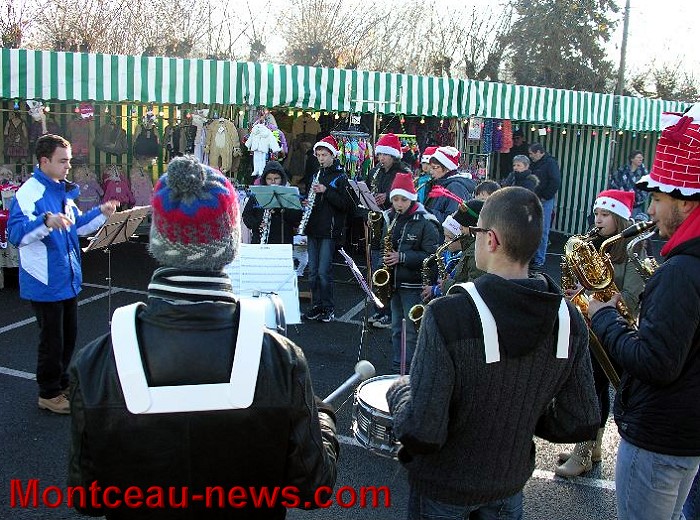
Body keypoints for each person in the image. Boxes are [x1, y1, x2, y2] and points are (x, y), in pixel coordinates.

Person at [67, 156, 339, 519]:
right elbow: (314, 488)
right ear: (230, 242)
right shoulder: (280, 358)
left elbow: (87, 499)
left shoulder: (96, 360)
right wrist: (322, 416)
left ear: (159, 238)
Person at [387, 186, 599, 519]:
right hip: (509, 485)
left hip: (443, 487)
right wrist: (518, 416)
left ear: (492, 240)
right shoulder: (569, 318)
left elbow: (422, 431)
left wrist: (400, 392)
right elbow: (581, 419)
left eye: (476, 231)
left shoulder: (447, 315)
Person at [588, 107, 700, 520]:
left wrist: (604, 317)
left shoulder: (681, 272)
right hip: (685, 436)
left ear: (684, 202)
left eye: (656, 199)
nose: (650, 212)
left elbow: (656, 363)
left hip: (658, 437)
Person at [8, 134, 117, 415]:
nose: (69, 166)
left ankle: (62, 383)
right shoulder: (29, 193)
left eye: (68, 160)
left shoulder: (61, 190)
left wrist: (102, 213)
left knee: (68, 337)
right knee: (52, 341)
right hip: (44, 280)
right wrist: (46, 221)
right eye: (63, 161)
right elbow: (16, 235)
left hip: (66, 278)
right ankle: (48, 393)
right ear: (44, 161)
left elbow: (76, 226)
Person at [555, 189, 645, 478]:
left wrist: (597, 301)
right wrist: (576, 294)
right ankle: (592, 447)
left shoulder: (630, 249)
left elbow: (631, 297)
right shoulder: (591, 245)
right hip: (589, 325)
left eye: (605, 214)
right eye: (596, 213)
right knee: (593, 386)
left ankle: (584, 452)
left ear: (620, 218)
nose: (598, 219)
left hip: (612, 328)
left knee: (593, 388)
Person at [380, 173, 440, 372]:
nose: (399, 204)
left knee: (412, 331)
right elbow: (384, 247)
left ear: (412, 198)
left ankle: (412, 369)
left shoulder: (426, 221)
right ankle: (398, 365)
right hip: (395, 282)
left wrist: (402, 257)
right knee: (396, 328)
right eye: (395, 199)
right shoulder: (391, 217)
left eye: (403, 200)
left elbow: (431, 256)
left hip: (413, 285)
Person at [302, 135, 355, 323]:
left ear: (333, 155)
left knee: (324, 272)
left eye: (324, 155)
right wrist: (307, 202)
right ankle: (316, 305)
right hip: (313, 227)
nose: (321, 159)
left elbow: (346, 205)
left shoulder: (341, 177)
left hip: (329, 230)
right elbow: (315, 200)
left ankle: (328, 307)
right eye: (318, 155)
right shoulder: (315, 175)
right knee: (312, 272)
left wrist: (326, 191)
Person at [367, 133, 412, 328]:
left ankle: (388, 313)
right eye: (380, 154)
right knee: (377, 271)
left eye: (385, 155)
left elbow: (408, 197)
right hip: (378, 224)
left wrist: (387, 197)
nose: (381, 158)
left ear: (394, 155)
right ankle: (379, 310)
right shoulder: (376, 172)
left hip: (394, 224)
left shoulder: (403, 172)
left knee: (386, 271)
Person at [242, 161, 302, 245]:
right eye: (269, 179)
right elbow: (246, 215)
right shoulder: (257, 194)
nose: (273, 182)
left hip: (283, 240)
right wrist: (257, 224)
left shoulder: (289, 194)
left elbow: (297, 218)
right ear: (264, 179)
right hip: (260, 240)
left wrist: (280, 209)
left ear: (282, 179)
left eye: (276, 178)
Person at [529, 143, 561, 272]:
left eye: (531, 153)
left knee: (543, 229)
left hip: (545, 200)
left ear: (538, 152)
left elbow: (555, 181)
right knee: (533, 228)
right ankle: (533, 257)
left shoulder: (550, 163)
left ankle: (539, 259)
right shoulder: (537, 163)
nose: (530, 156)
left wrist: (545, 196)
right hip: (535, 198)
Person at [424, 146, 474, 223]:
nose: (431, 171)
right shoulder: (439, 183)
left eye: (435, 168)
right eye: (431, 168)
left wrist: (426, 212)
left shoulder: (455, 187)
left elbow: (454, 220)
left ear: (447, 168)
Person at [609, 150, 648, 218]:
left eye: (642, 158)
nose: (641, 159)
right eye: (638, 157)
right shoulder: (622, 170)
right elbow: (614, 183)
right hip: (621, 204)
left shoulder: (643, 172)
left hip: (635, 206)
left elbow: (646, 188)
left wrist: (637, 200)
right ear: (632, 159)